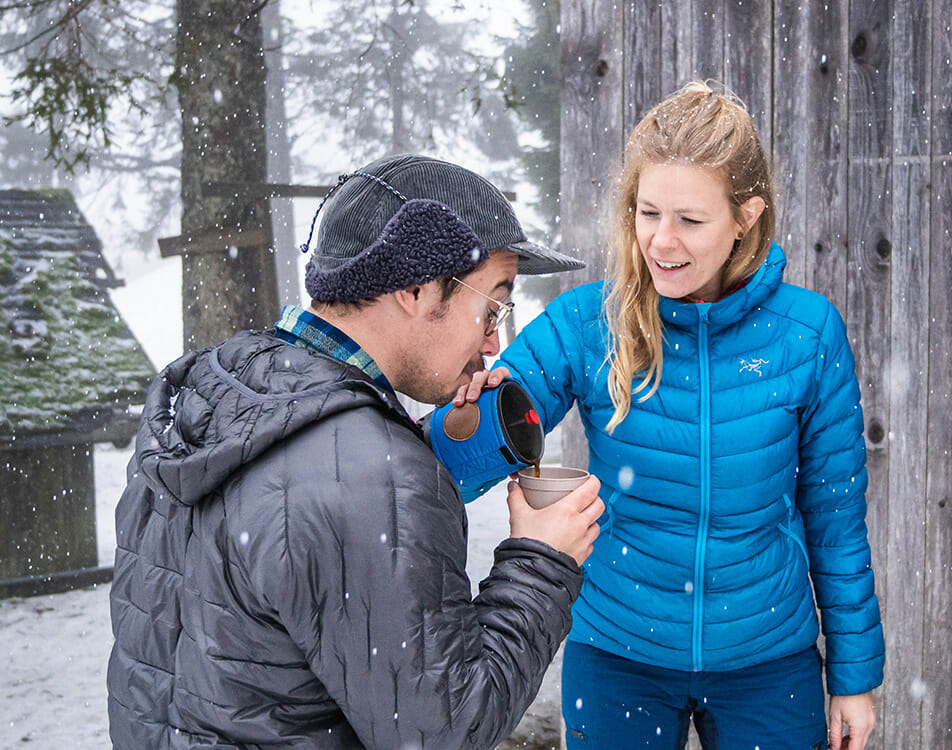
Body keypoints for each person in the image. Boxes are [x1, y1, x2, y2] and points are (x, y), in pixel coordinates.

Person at [106, 154, 605, 749]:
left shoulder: (217, 400)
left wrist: (418, 447)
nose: (497, 340)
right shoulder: (371, 475)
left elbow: (276, 572)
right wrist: (541, 562)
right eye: (493, 306)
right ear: (416, 288)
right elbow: (445, 731)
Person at [470, 82, 885, 749]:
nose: (661, 242)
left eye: (690, 220)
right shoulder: (588, 322)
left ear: (746, 216)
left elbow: (835, 518)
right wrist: (462, 411)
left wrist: (854, 676)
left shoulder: (805, 334)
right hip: (618, 654)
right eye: (647, 212)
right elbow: (476, 443)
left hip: (766, 659)